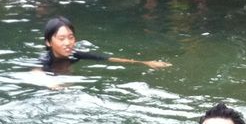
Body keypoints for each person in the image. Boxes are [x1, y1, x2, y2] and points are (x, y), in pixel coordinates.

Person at [37, 16, 170, 73]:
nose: (68, 43)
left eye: (71, 37)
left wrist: (145, 63)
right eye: (61, 39)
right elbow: (36, 71)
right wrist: (51, 83)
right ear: (48, 42)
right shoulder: (46, 59)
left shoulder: (74, 55)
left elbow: (105, 58)